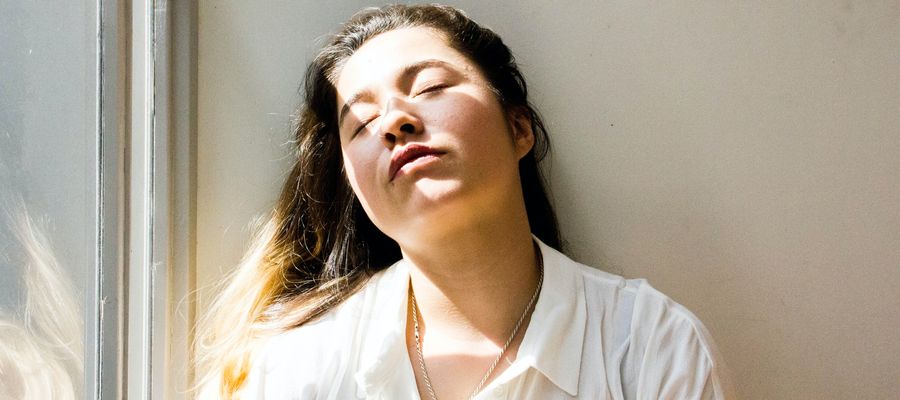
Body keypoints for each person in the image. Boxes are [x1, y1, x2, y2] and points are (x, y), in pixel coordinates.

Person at [197, 4, 733, 399]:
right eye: (360, 122)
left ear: (519, 128)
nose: (395, 121)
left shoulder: (648, 347)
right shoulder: (296, 373)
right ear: (354, 186)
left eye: (429, 87)